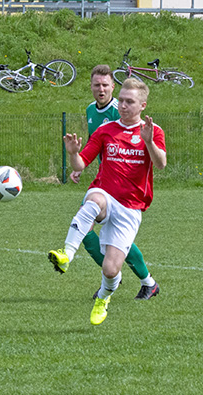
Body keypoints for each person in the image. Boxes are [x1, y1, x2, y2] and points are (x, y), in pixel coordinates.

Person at [48, 78, 166, 326]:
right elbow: (82, 164)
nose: (123, 105)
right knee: (92, 201)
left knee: (111, 270)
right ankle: (66, 254)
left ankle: (103, 297)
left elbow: (161, 163)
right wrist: (72, 153)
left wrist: (148, 141)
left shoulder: (153, 132)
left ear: (142, 105)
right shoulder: (105, 130)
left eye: (129, 102)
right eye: (121, 100)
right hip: (105, 194)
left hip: (131, 207)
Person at [63, 65, 159, 301]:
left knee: (110, 236)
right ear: (91, 87)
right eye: (97, 85)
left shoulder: (120, 111)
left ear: (113, 87)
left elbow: (130, 146)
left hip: (126, 190)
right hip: (105, 183)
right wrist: (79, 164)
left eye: (106, 85)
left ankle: (143, 281)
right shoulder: (90, 111)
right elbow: (101, 147)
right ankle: (122, 277)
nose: (101, 89)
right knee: (87, 225)